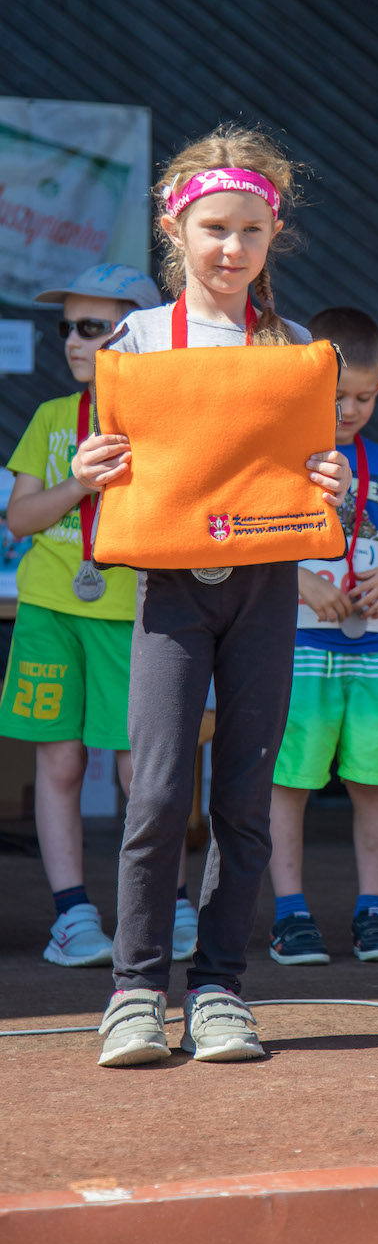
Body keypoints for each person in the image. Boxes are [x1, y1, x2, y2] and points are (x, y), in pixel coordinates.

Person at [71, 126, 350, 1067]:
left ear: (274, 235)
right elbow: (109, 462)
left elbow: (312, 469)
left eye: (251, 231)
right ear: (175, 230)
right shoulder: (139, 340)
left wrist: (331, 482)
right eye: (214, 228)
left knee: (244, 795)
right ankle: (135, 991)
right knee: (155, 794)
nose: (233, 248)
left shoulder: (296, 345)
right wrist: (91, 468)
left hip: (266, 589)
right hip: (171, 590)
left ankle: (221, 989)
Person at [0, 263, 198, 966]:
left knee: (142, 768)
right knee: (58, 760)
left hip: (134, 612)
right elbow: (19, 518)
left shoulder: (169, 420)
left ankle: (169, 904)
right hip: (49, 610)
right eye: (67, 328)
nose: (73, 342)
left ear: (139, 334)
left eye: (92, 328)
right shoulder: (52, 417)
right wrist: (78, 482)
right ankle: (72, 914)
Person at [267, 307, 378, 967]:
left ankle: (373, 910)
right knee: (289, 784)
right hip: (300, 654)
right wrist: (300, 580)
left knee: (372, 782)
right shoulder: (280, 463)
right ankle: (290, 914)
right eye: (338, 397)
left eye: (363, 397)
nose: (350, 410)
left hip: (377, 658)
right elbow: (255, 552)